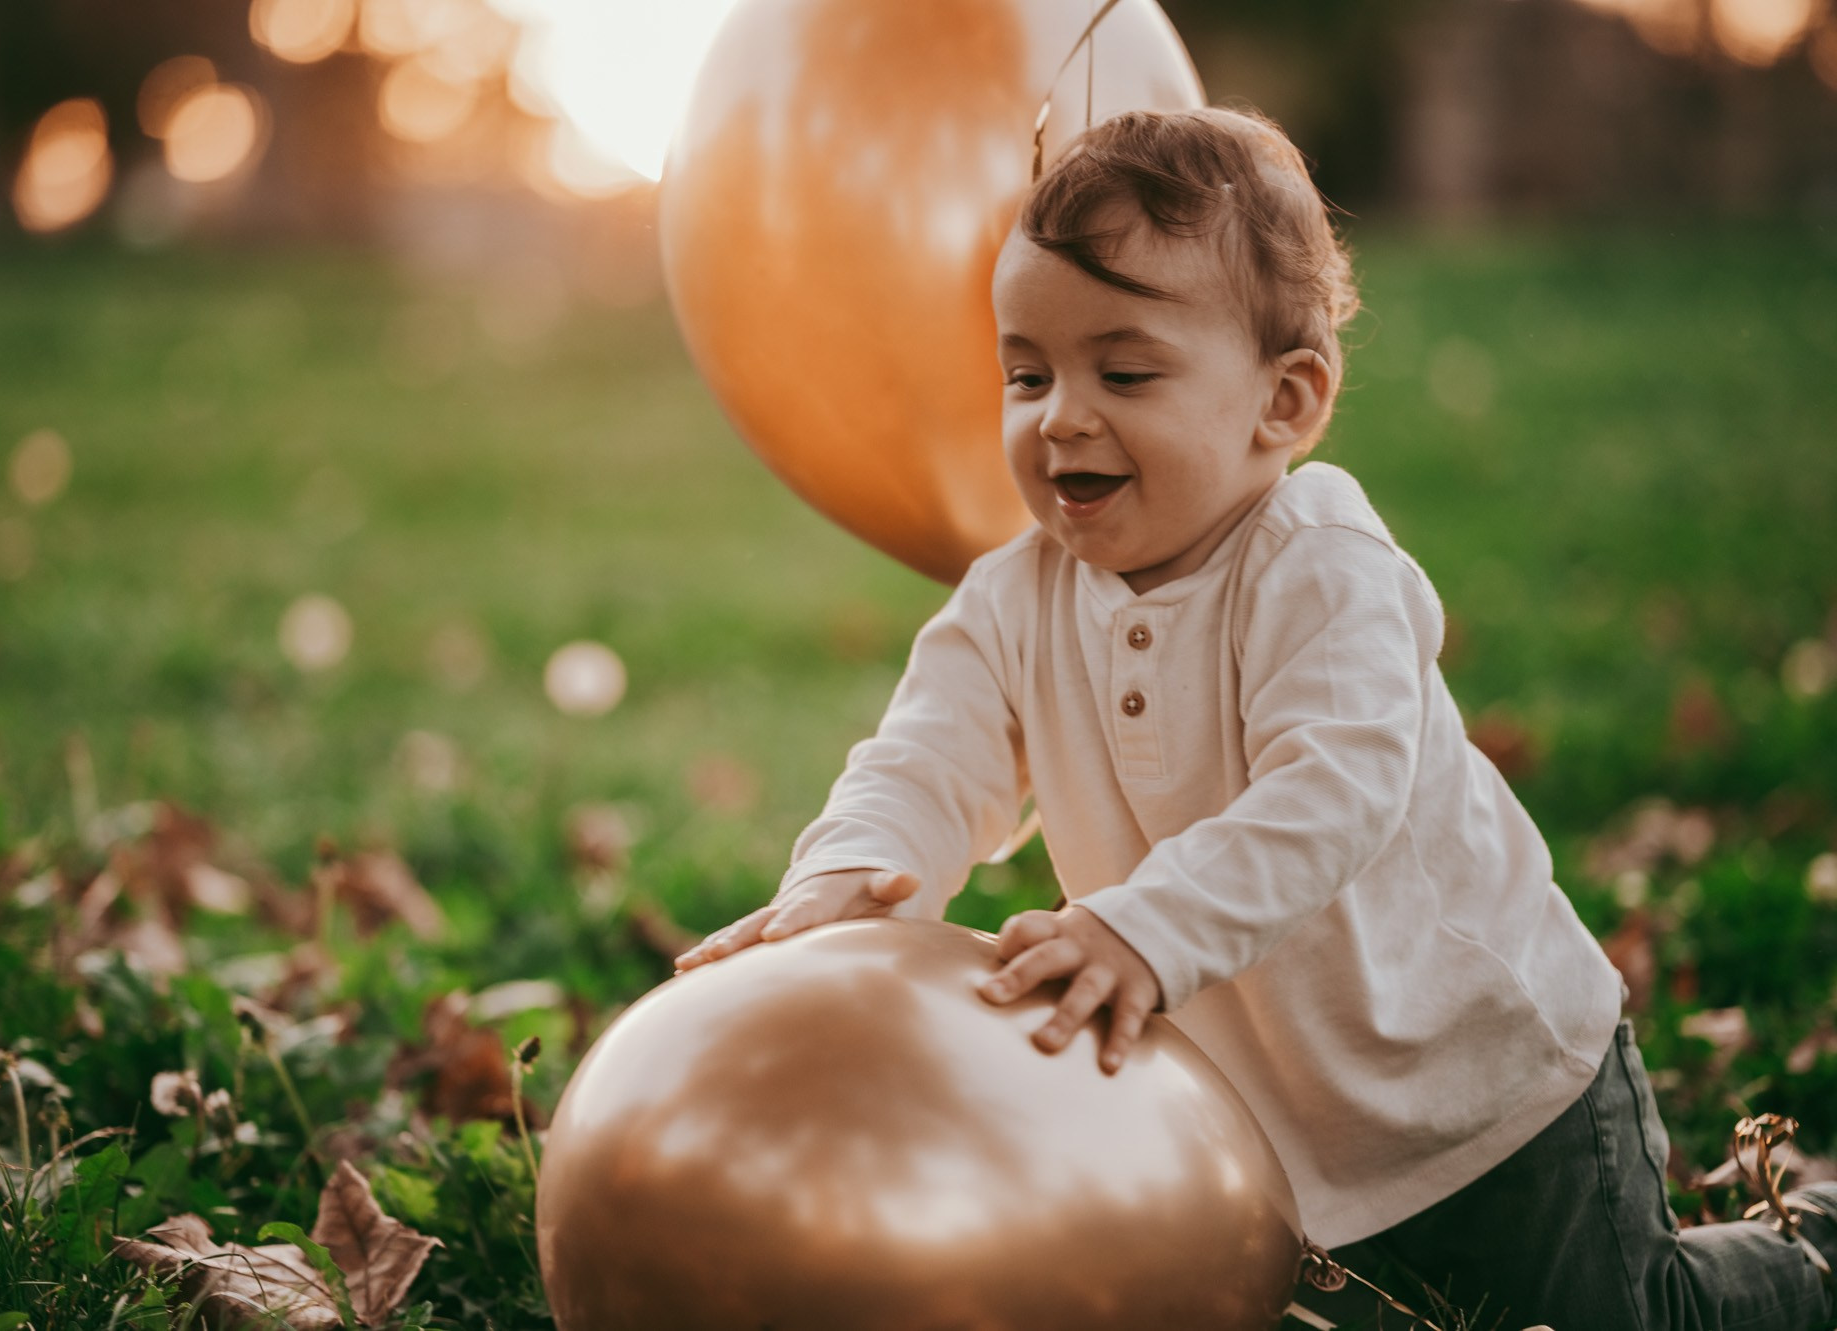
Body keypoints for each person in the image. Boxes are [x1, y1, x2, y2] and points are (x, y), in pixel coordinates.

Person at [671, 105, 1837, 1330]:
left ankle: (1807, 1249)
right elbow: (924, 753)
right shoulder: (1014, 596)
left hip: (1483, 1088)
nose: (1060, 414)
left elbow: (1330, 791)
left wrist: (1139, 929)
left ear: (1282, 403)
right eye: (1027, 372)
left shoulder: (1316, 562)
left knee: (1629, 1318)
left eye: (1123, 372)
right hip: (1265, 1125)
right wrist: (858, 866)